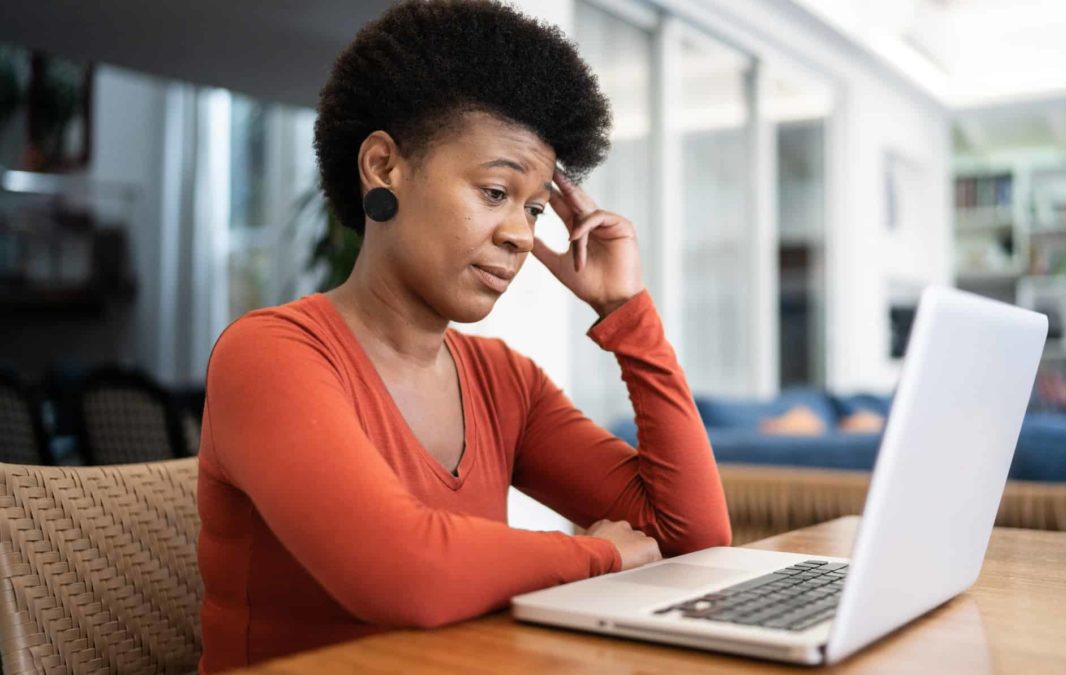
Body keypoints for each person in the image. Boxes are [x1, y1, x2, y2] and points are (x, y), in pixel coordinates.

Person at [196, 1, 731, 671]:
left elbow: (693, 537)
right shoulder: (270, 355)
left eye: (535, 208)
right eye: (495, 192)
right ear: (383, 167)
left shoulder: (504, 381)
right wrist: (599, 555)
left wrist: (627, 312)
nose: (521, 234)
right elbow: (404, 572)